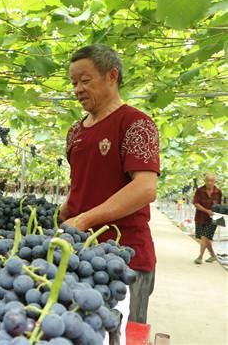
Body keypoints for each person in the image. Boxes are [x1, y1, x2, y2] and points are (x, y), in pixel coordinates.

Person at [59, 44, 160, 324]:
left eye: (85, 80)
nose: (77, 89)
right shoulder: (75, 131)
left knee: (120, 333)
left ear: (112, 76)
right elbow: (82, 181)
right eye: (74, 82)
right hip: (80, 255)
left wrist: (84, 219)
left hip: (122, 259)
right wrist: (66, 211)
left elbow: (145, 188)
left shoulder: (136, 123)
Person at [192, 173, 222, 264]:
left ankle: (200, 257)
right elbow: (196, 204)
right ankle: (213, 255)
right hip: (201, 217)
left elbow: (219, 205)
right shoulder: (199, 191)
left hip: (215, 217)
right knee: (204, 237)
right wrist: (206, 211)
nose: (209, 183)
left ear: (214, 181)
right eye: (208, 180)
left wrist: (217, 212)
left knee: (205, 236)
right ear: (205, 181)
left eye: (212, 181)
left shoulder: (218, 192)